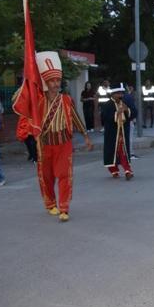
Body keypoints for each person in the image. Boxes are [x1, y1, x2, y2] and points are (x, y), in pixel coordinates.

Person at [32, 52, 93, 219]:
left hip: (63, 143)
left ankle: (64, 208)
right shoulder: (38, 101)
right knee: (47, 176)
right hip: (45, 144)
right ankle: (51, 204)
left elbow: (75, 118)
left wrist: (85, 136)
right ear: (46, 83)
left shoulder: (66, 99)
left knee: (64, 175)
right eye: (52, 81)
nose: (56, 84)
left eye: (58, 80)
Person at [101, 83, 134, 179]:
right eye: (118, 93)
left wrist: (127, 110)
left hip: (123, 132)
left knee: (123, 151)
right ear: (113, 94)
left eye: (121, 93)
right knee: (111, 152)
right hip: (112, 133)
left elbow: (132, 114)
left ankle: (128, 171)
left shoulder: (124, 103)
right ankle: (114, 170)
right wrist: (117, 113)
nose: (121, 95)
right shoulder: (107, 105)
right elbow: (104, 118)